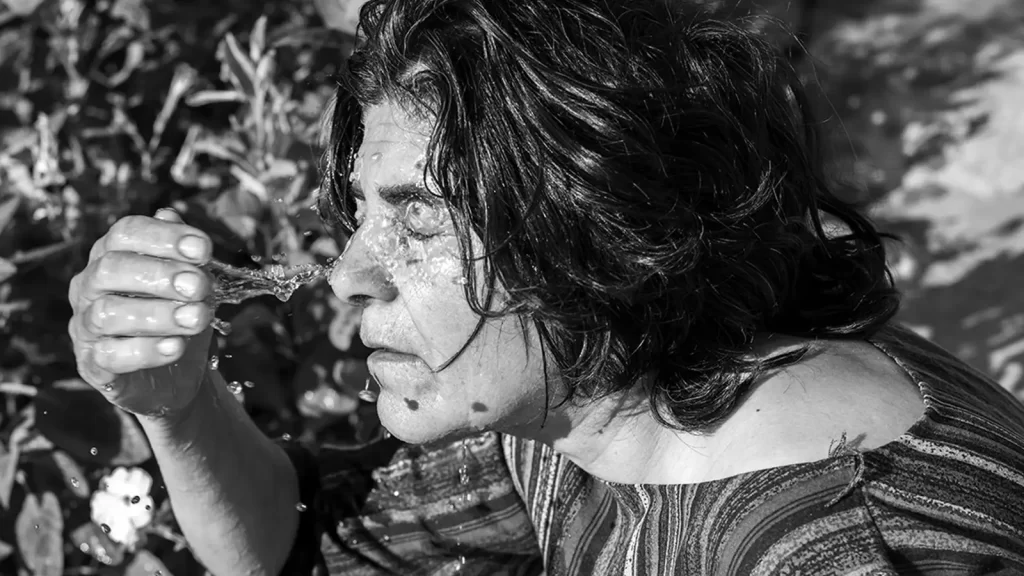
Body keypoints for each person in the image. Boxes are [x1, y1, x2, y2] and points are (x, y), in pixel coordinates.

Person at [68, 0, 1024, 574]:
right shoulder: (598, 401)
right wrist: (178, 406)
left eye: (418, 217)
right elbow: (307, 541)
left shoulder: (829, 549)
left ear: (593, 219)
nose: (349, 275)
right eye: (357, 214)